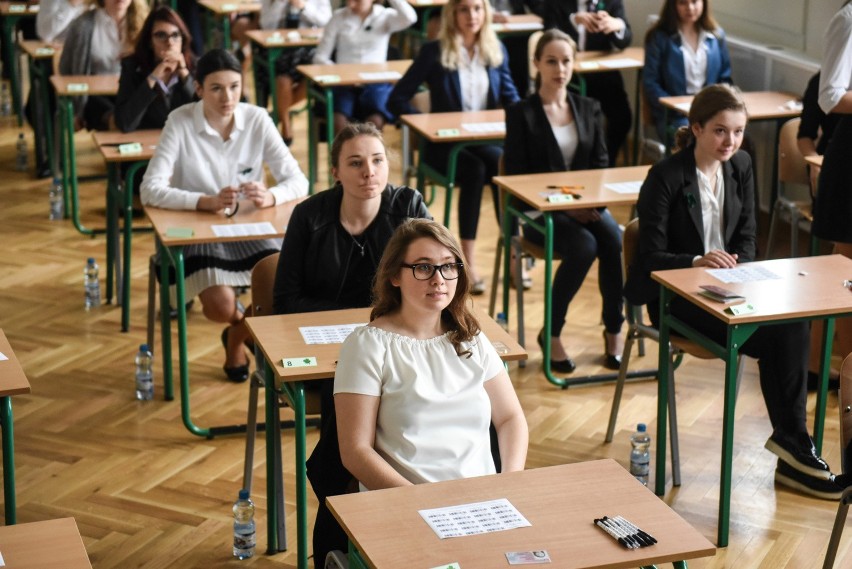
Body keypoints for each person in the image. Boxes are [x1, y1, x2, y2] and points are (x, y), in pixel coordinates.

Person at [624, 84, 844, 500]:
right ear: (697, 128)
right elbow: (649, 257)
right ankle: (795, 448)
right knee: (779, 334)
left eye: (739, 131)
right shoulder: (666, 176)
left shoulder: (742, 164)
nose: (731, 142)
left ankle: (792, 447)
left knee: (792, 325)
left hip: (730, 291)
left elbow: (746, 237)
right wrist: (696, 261)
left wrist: (741, 269)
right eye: (720, 131)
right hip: (676, 298)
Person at [272, 122, 431, 564]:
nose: (369, 172)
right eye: (356, 163)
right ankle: (340, 535)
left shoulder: (409, 207)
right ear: (336, 172)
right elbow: (285, 300)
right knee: (352, 428)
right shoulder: (310, 215)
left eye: (378, 160)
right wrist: (364, 325)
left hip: (396, 344)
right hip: (330, 353)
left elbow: (434, 280)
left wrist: (379, 325)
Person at [140, 49, 308, 383]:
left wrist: (270, 194)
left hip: (253, 227)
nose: (227, 97)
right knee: (218, 306)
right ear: (199, 89)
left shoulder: (258, 118)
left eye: (234, 86)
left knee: (278, 291)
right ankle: (237, 327)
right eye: (216, 88)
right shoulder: (180, 120)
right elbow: (150, 189)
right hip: (201, 230)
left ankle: (236, 341)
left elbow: (298, 180)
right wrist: (203, 202)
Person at [334, 217, 528, 489]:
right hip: (406, 503)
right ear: (394, 276)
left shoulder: (471, 338)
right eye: (423, 268)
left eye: (448, 266)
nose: (438, 280)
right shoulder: (368, 346)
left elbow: (511, 418)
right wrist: (418, 501)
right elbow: (356, 452)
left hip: (483, 498)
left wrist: (510, 481)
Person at [504, 29, 624, 374]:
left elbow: (601, 164)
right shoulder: (521, 112)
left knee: (614, 241)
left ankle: (614, 329)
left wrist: (592, 206)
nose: (560, 69)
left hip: (586, 206)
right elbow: (516, 175)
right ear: (537, 64)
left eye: (566, 61)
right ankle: (552, 333)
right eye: (551, 61)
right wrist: (565, 206)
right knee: (584, 247)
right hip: (538, 210)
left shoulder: (588, 107)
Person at [388, 0, 520, 294]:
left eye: (477, 8)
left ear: (485, 13)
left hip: (482, 142)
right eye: (464, 9)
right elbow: (397, 98)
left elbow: (511, 100)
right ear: (453, 14)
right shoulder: (435, 51)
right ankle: (468, 262)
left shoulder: (495, 51)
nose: (471, 15)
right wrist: (428, 124)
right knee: (474, 170)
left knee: (502, 164)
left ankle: (514, 253)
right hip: (444, 148)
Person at [812, 0, 852, 390]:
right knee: (845, 270)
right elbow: (829, 96)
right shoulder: (848, 18)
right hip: (850, 153)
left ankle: (820, 364)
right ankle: (838, 367)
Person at [542, 0, 632, 166]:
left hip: (603, 74)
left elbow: (625, 40)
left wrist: (616, 25)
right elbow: (548, 36)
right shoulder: (556, 4)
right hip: (569, 77)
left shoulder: (612, 2)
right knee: (584, 121)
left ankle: (607, 162)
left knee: (623, 117)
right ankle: (582, 163)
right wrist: (574, 20)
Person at [312, 0, 416, 134]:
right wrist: (342, 74)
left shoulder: (385, 16)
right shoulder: (338, 17)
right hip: (344, 83)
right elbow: (320, 57)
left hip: (376, 83)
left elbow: (410, 17)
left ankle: (369, 153)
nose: (351, 4)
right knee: (339, 121)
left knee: (376, 120)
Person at [643, 0, 732, 143]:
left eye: (695, 1)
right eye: (682, 3)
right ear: (673, 5)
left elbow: (725, 79)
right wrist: (674, 107)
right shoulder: (659, 37)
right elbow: (650, 83)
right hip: (674, 115)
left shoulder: (717, 36)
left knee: (741, 140)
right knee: (697, 139)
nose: (690, 8)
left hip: (710, 111)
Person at [59, 0, 149, 131]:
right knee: (109, 112)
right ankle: (116, 123)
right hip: (95, 96)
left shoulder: (145, 23)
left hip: (131, 89)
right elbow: (66, 68)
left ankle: (119, 124)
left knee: (137, 108)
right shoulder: (83, 24)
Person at [257, 0, 331, 144]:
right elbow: (266, 24)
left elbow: (326, 22)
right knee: (283, 78)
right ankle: (286, 124)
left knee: (314, 75)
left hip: (309, 47)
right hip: (278, 48)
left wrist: (303, 7)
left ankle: (279, 112)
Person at [114, 5, 196, 133]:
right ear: (150, 42)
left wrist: (185, 76)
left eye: (175, 35)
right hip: (147, 147)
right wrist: (153, 78)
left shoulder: (195, 66)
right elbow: (125, 123)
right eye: (161, 36)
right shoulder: (132, 66)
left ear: (183, 39)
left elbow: (208, 115)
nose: (169, 42)